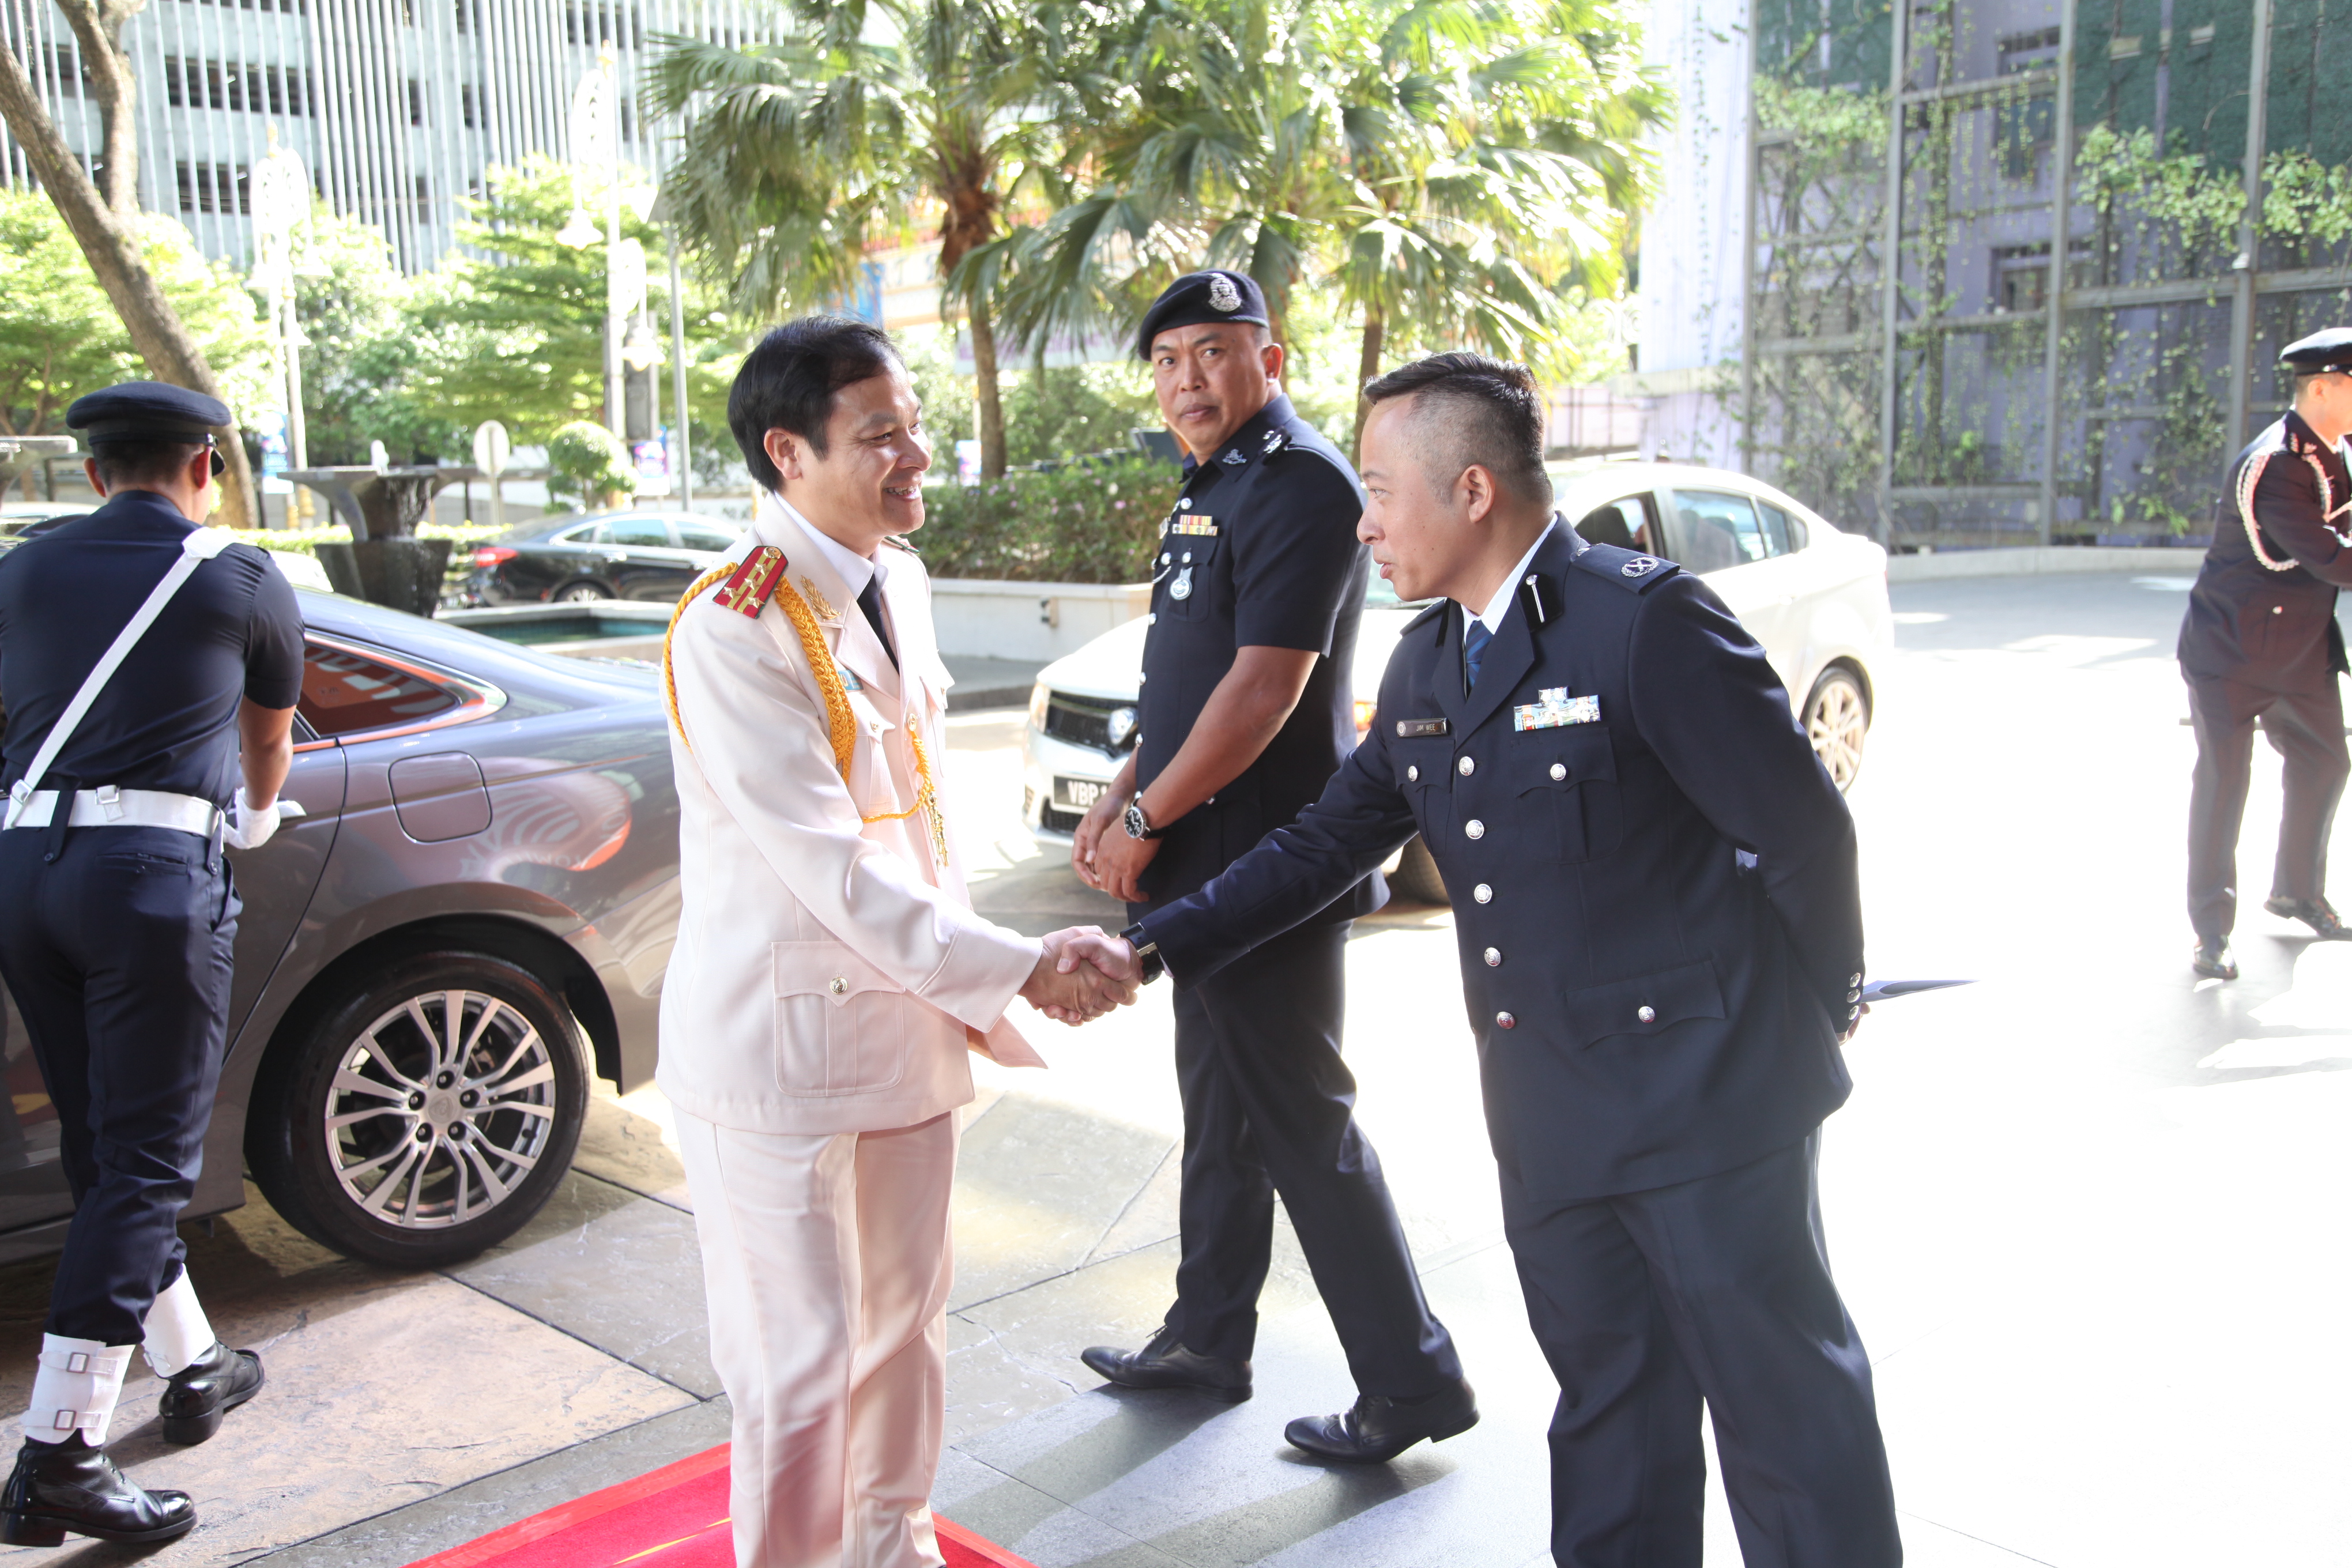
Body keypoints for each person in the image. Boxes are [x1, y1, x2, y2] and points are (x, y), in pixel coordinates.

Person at [1085, 353, 1900, 1567]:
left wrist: (1822, 1006)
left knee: (1789, 1425)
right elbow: (1321, 843)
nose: (1362, 522)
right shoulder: (1428, 666)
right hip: (1553, 1119)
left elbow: (1802, 833)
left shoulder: (1644, 622)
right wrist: (1147, 946)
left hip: (1712, 1109)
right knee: (1611, 1425)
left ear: (1470, 491)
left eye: (1377, 490)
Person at [658, 317, 1136, 1568]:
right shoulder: (733, 623)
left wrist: (994, 962)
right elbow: (828, 861)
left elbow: (919, 825)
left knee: (906, 1326)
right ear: (788, 451)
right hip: (779, 1058)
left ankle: (891, 1543)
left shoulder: (898, 578)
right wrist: (1021, 964)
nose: (917, 453)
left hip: (907, 1027)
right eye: (881, 435)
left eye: (911, 424)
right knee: (798, 1362)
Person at [1071, 271, 1472, 1461]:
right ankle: (1207, 1335)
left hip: (1264, 864)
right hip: (1204, 853)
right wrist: (1117, 799)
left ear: (1271, 360)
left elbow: (1264, 688)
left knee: (1301, 1117)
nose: (1186, 380)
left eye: (1211, 353)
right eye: (1167, 360)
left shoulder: (1299, 483)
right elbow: (1185, 680)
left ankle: (1413, 1381)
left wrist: (1147, 817)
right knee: (1223, 1112)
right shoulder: (1214, 485)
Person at [0, 383, 293, 1547]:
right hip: (151, 879)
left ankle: (198, 1363)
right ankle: (61, 1453)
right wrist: (259, 817)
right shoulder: (238, 573)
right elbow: (268, 730)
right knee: (149, 1162)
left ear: (89, 474)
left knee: (101, 1141)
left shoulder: (20, 570)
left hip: (24, 873)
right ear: (204, 467)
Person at [2178, 327, 2352, 979]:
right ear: (2324, 387)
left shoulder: (2340, 448)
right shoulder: (2277, 463)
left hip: (2300, 653)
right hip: (2232, 652)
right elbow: (2333, 559)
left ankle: (2297, 891)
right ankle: (2211, 932)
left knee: (2327, 761)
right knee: (2225, 785)